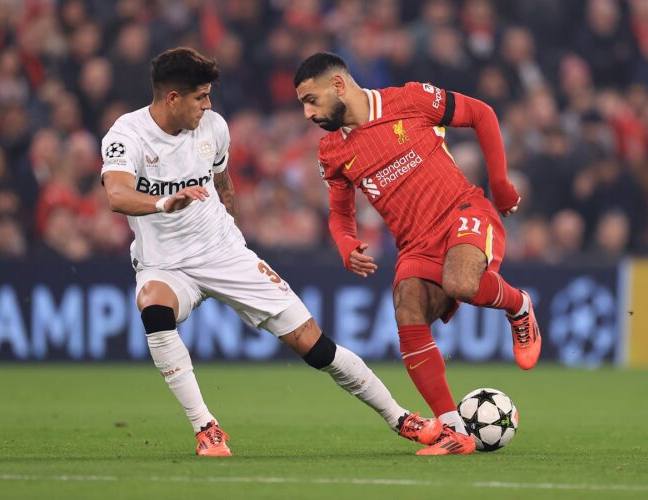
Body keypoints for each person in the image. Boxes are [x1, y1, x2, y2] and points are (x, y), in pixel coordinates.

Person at [100, 47, 441, 457]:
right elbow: (117, 195)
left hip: (224, 253)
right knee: (153, 307)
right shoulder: (126, 135)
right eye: (200, 97)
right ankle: (206, 429)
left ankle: (400, 417)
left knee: (314, 345)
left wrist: (233, 236)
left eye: (209, 96)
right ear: (172, 98)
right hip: (165, 263)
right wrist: (162, 203)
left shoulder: (213, 127)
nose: (207, 105)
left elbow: (223, 184)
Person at [294, 52, 542, 456]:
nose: (307, 113)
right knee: (406, 308)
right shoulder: (331, 152)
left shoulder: (409, 100)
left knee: (460, 282)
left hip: (463, 212)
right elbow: (340, 215)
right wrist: (345, 244)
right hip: (414, 243)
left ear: (338, 85)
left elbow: (481, 113)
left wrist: (500, 183)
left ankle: (518, 305)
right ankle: (452, 430)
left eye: (311, 100)